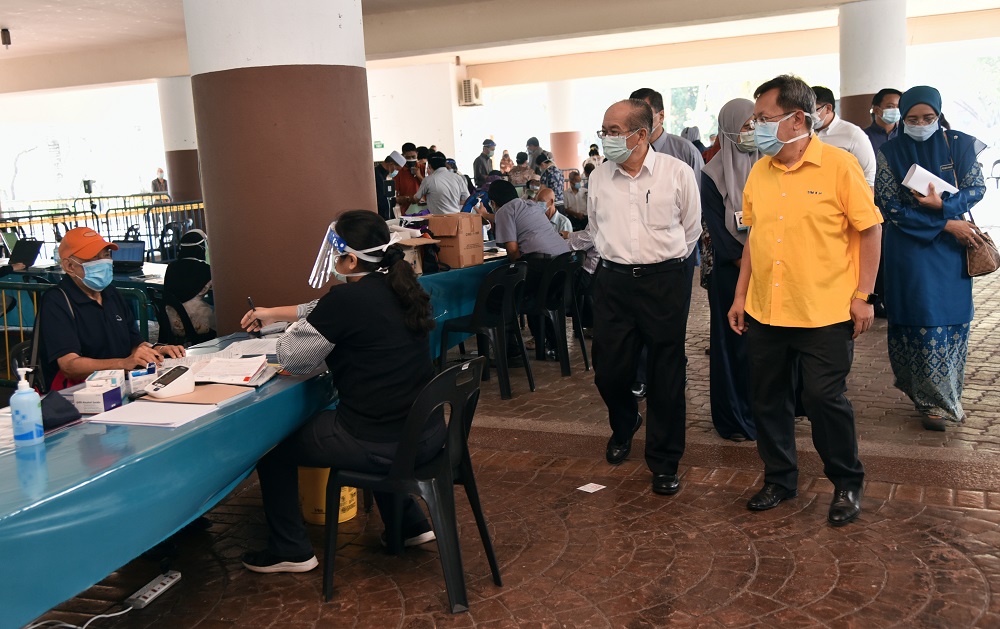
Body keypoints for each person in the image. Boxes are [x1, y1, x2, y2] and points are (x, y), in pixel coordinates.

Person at [239, 210, 441, 573]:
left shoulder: (348, 301)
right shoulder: (402, 287)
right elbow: (325, 308)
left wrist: (287, 330)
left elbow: (294, 357)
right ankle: (409, 524)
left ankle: (290, 550)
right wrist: (277, 313)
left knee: (271, 450)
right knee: (377, 419)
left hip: (378, 443)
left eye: (335, 254)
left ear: (349, 259)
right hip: (425, 435)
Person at [728, 75, 882, 526]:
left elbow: (870, 230)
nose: (755, 127)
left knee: (823, 399)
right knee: (768, 399)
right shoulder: (760, 171)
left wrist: (864, 295)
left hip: (824, 311)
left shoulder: (839, 165)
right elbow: (754, 239)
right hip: (767, 310)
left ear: (797, 119)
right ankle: (780, 478)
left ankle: (847, 482)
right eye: (754, 119)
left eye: (764, 118)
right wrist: (740, 295)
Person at [588, 99, 701, 496]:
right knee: (609, 371)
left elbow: (691, 229)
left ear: (640, 134)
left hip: (664, 281)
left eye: (613, 132)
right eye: (604, 131)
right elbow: (595, 227)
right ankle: (625, 423)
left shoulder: (676, 172)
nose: (606, 139)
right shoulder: (599, 177)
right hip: (613, 281)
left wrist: (663, 266)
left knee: (665, 374)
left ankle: (665, 461)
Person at [874, 85, 987, 432]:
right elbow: (889, 206)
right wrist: (946, 223)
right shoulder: (890, 151)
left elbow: (977, 187)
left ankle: (947, 395)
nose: (921, 124)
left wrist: (944, 206)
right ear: (903, 117)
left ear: (939, 115)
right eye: (912, 118)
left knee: (953, 320)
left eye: (928, 117)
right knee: (919, 318)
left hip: (950, 252)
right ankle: (929, 401)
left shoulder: (959, 144)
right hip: (910, 249)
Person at [38, 227, 186, 390]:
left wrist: (157, 351)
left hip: (121, 386)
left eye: (106, 255)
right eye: (94, 258)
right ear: (69, 266)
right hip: (81, 393)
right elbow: (69, 365)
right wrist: (123, 364)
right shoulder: (57, 301)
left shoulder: (111, 293)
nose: (103, 262)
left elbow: (134, 343)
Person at [700, 98, 760, 442]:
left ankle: (766, 412)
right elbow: (719, 236)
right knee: (733, 345)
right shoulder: (712, 175)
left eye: (757, 123)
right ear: (729, 129)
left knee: (765, 347)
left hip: (771, 273)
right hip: (731, 273)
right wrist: (752, 267)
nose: (753, 131)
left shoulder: (770, 164)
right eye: (746, 125)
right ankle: (734, 418)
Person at [629, 88, 704, 184]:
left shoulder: (685, 151)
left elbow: (699, 189)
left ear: (661, 116)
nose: (638, 121)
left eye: (644, 115)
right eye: (633, 116)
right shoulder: (628, 150)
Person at [812, 86, 877, 187]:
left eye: (812, 111)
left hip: (842, 192)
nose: (808, 115)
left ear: (828, 108)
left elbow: (868, 175)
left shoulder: (852, 134)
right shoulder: (804, 132)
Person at [163, 229, 215, 339]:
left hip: (172, 324)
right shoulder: (205, 269)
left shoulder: (171, 267)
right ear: (201, 248)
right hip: (197, 324)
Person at [864, 88, 902, 156]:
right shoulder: (863, 136)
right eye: (890, 106)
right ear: (876, 110)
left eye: (899, 107)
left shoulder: (905, 135)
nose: (896, 110)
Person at [374, 152, 405, 220]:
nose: (397, 172)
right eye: (397, 169)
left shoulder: (384, 176)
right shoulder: (376, 175)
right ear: (391, 164)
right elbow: (381, 200)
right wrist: (396, 200)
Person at [395, 142, 422, 214]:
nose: (411, 159)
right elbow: (395, 195)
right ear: (402, 156)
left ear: (417, 154)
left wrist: (419, 176)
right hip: (407, 211)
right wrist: (408, 199)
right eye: (408, 157)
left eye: (413, 156)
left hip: (425, 209)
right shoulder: (398, 172)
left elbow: (430, 186)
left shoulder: (423, 168)